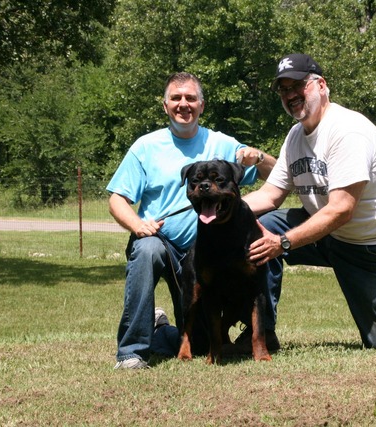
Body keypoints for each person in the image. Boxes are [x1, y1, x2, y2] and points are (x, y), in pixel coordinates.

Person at [237, 53, 376, 351]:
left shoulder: (347, 131)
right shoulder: (296, 135)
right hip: (330, 236)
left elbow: (341, 209)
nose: (291, 95)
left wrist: (282, 243)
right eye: (284, 90)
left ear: (321, 85)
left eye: (298, 85)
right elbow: (270, 195)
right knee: (262, 226)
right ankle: (261, 333)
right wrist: (221, 210)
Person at [107, 72, 276, 369]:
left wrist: (258, 157)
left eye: (190, 98)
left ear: (201, 105)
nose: (183, 104)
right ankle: (132, 352)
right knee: (146, 249)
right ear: (165, 105)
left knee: (199, 344)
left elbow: (275, 174)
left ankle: (161, 330)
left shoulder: (222, 144)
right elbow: (116, 199)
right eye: (176, 98)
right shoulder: (145, 147)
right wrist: (137, 225)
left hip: (205, 250)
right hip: (164, 245)